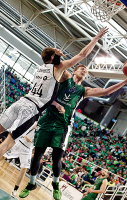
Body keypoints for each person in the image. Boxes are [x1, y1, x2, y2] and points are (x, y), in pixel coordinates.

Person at [0, 27, 108, 196]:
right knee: (8, 142)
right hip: (31, 109)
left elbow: (50, 88)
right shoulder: (57, 69)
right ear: (53, 58)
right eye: (56, 55)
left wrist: (56, 103)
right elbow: (82, 55)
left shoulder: (40, 68)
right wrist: (97, 37)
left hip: (21, 101)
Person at [19, 59, 127, 199]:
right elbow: (57, 68)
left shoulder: (84, 90)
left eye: (86, 72)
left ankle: (56, 184)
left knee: (57, 157)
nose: (84, 71)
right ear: (74, 70)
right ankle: (31, 183)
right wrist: (57, 57)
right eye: (82, 69)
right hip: (47, 120)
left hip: (63, 125)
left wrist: (125, 81)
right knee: (37, 154)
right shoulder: (65, 78)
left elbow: (106, 91)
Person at [3, 123, 38, 198]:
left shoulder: (47, 131)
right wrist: (26, 137)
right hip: (20, 143)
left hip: (28, 149)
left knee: (24, 169)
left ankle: (15, 190)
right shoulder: (38, 123)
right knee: (2, 157)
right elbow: (23, 130)